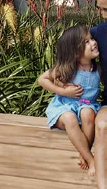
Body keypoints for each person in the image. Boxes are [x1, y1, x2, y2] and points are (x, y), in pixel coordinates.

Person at [42, 28, 102, 173]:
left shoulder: (98, 69)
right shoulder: (69, 68)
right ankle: (91, 160)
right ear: (75, 52)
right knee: (70, 118)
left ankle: (83, 155)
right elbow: (42, 79)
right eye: (86, 42)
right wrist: (63, 91)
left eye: (92, 39)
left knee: (88, 113)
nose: (93, 43)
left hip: (86, 106)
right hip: (64, 107)